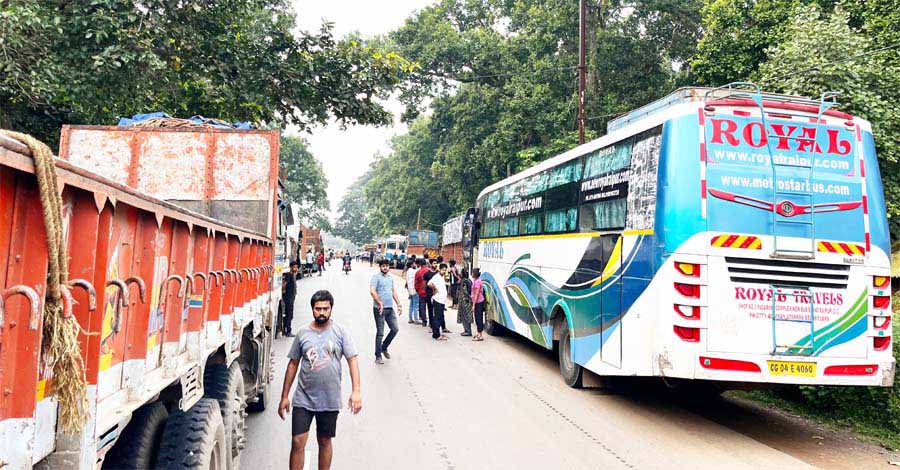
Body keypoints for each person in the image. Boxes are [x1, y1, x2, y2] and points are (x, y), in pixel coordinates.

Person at [279, 290, 362, 470]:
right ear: (312, 309)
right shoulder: (302, 333)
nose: (322, 312)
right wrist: (284, 396)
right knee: (297, 442)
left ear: (331, 309)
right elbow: (293, 364)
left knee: (324, 441)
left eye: (326, 308)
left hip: (329, 399)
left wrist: (356, 391)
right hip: (303, 398)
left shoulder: (340, 332)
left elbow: (352, 360)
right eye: (318, 309)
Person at [369, 259, 402, 364]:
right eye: (383, 266)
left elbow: (393, 291)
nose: (385, 268)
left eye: (387, 266)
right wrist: (379, 302)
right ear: (380, 267)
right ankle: (378, 356)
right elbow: (372, 291)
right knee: (380, 333)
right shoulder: (376, 277)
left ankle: (384, 347)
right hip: (379, 309)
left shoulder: (390, 278)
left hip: (389, 308)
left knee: (395, 329)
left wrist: (399, 304)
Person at [428, 263, 450, 340]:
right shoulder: (436, 277)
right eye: (443, 270)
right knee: (437, 317)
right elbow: (429, 283)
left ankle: (437, 333)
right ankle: (436, 335)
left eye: (445, 270)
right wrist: (435, 289)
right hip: (437, 300)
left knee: (439, 317)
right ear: (439, 269)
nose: (444, 271)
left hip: (441, 300)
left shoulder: (441, 277)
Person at [281, 261, 300, 337]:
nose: (296, 269)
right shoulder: (289, 275)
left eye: (296, 267)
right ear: (291, 267)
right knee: (289, 315)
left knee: (289, 314)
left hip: (291, 297)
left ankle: (285, 330)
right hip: (288, 298)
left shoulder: (293, 275)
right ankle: (288, 331)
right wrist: (283, 291)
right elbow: (284, 284)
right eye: (294, 267)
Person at [456, 268, 473, 337]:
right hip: (467, 301)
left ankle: (468, 331)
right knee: (466, 316)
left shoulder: (464, 282)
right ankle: (466, 330)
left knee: (465, 316)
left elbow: (465, 292)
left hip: (465, 302)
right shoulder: (468, 280)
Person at [413, 259, 429, 328]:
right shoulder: (429, 271)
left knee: (422, 307)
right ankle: (431, 322)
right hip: (429, 292)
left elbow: (416, 283)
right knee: (430, 307)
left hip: (421, 292)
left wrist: (418, 290)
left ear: (420, 264)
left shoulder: (418, 272)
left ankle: (424, 321)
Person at [471, 268, 486, 341]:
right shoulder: (476, 280)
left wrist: (473, 305)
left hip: (478, 302)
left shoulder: (477, 282)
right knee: (477, 318)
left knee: (478, 318)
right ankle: (478, 333)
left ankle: (480, 335)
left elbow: (476, 294)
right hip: (477, 301)